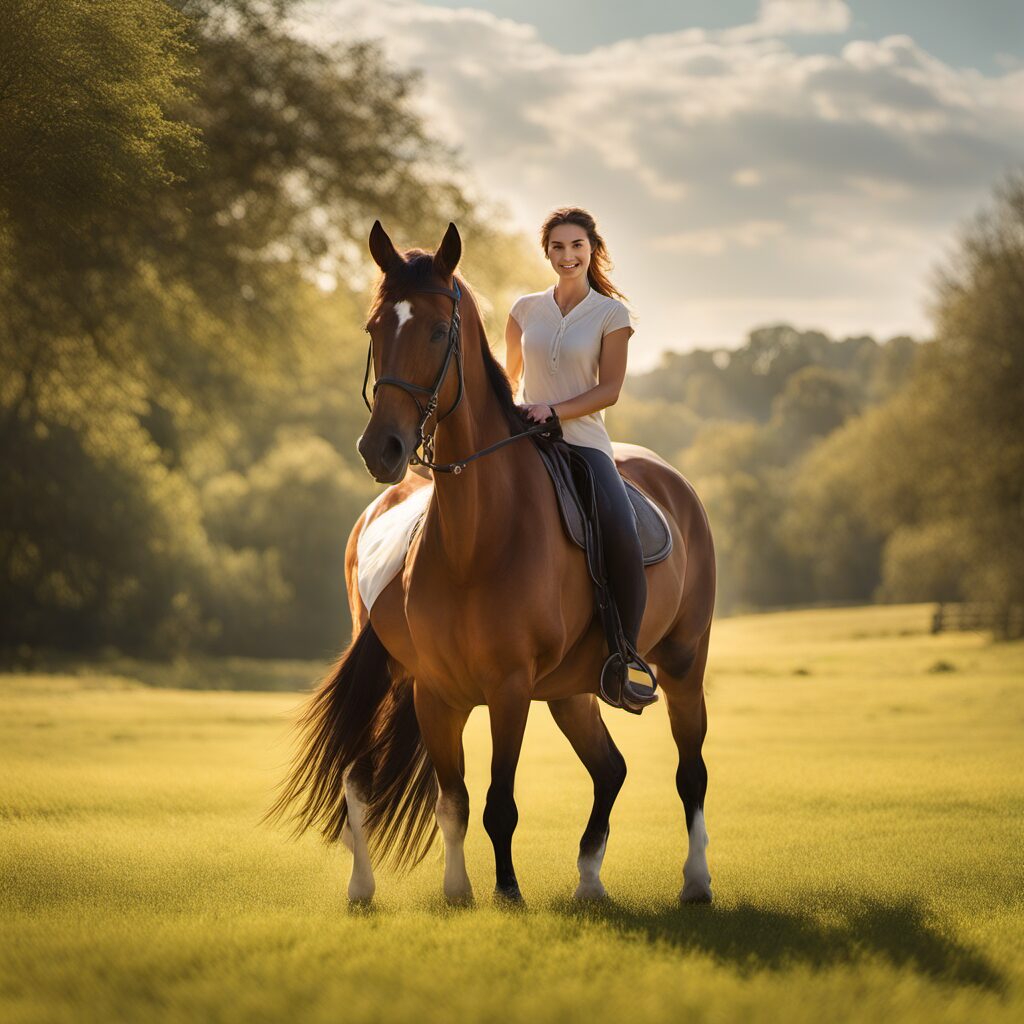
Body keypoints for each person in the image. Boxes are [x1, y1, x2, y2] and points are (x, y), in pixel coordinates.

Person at [504, 206, 657, 713]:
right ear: (546, 252)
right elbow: (509, 380)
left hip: (584, 444)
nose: (567, 256)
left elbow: (609, 390)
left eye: (576, 246)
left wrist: (554, 410)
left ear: (592, 250)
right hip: (527, 441)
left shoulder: (612, 315)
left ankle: (624, 656)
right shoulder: (524, 310)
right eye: (557, 247)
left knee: (620, 531)